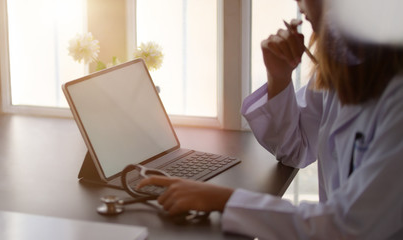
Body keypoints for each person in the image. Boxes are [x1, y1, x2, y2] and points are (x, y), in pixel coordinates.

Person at [138, 0, 403, 238]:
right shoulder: (348, 69)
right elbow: (295, 149)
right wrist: (279, 77)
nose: (300, 7)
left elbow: (345, 227)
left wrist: (225, 200)